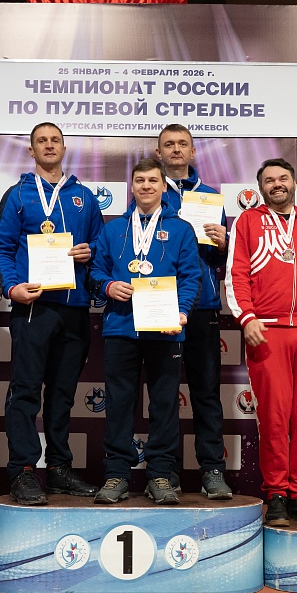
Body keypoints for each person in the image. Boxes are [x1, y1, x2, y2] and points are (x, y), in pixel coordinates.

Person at [0, 122, 103, 504]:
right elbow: (2, 248)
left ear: (64, 148)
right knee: (25, 391)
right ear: (31, 150)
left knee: (62, 394)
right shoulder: (18, 194)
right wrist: (12, 289)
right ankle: (23, 470)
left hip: (74, 308)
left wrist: (90, 254)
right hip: (33, 307)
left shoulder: (85, 197)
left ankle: (58, 468)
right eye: (42, 140)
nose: (49, 145)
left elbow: (99, 250)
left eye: (55, 140)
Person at [226, 158, 297, 527]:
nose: (277, 184)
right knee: (273, 417)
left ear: (294, 182)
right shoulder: (248, 221)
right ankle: (276, 495)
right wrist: (247, 317)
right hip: (266, 330)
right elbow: (236, 274)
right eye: (269, 180)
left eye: (283, 178)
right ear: (260, 188)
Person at [90, 158, 201, 505]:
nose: (146, 186)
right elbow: (96, 271)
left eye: (153, 180)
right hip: (121, 328)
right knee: (118, 404)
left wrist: (183, 310)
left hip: (165, 328)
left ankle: (161, 474)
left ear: (163, 186)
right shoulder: (113, 230)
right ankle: (117, 474)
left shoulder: (181, 229)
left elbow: (191, 276)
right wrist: (108, 286)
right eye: (140, 180)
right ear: (132, 186)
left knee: (165, 405)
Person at [153, 123, 233, 500]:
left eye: (182, 144)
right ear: (159, 153)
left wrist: (224, 244)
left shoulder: (211, 197)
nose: (176, 149)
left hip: (202, 306)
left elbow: (223, 259)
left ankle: (212, 469)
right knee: (164, 394)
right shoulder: (149, 191)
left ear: (193, 151)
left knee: (206, 392)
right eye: (169, 144)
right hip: (160, 304)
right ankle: (165, 471)